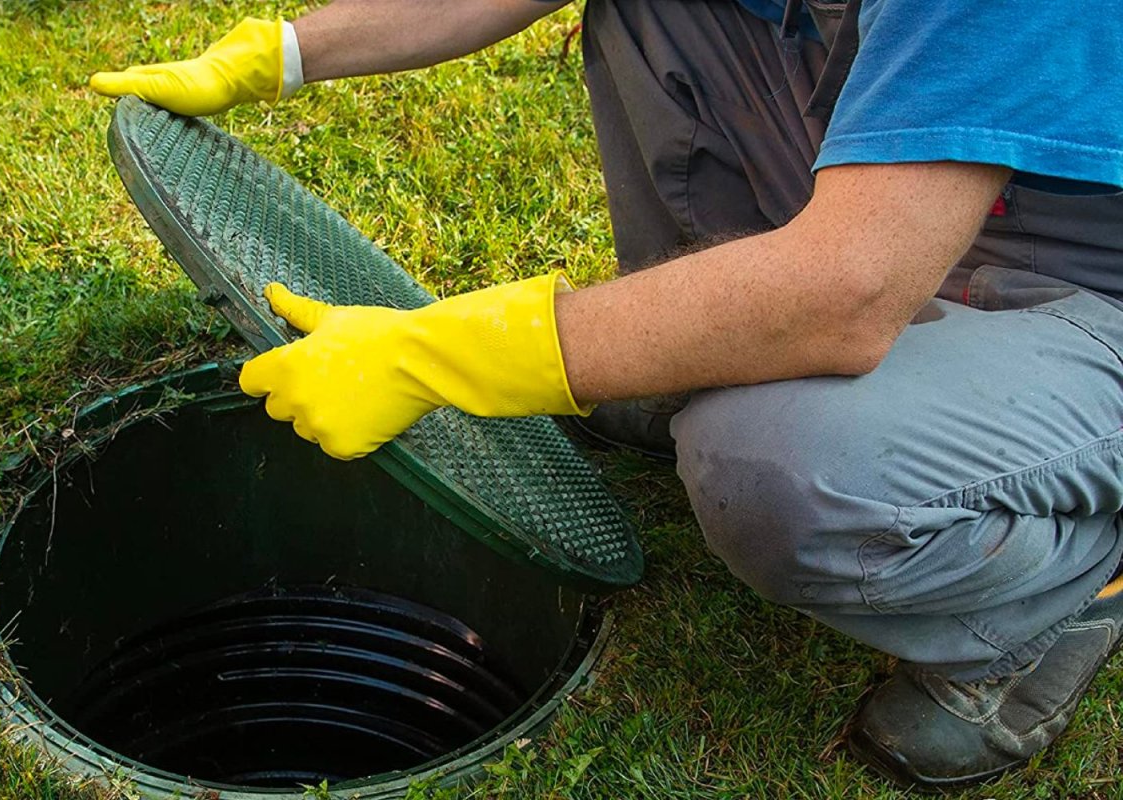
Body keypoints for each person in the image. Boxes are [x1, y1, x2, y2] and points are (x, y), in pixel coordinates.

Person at [90, 0, 1123, 789]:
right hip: (913, 206)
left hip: (1080, 282)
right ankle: (709, 345)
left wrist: (441, 354)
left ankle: (1070, 591)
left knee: (774, 460)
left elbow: (847, 291)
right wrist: (285, 51)